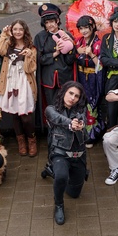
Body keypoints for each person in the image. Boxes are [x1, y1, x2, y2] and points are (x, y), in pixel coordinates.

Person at [45, 81, 88, 225]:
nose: (73, 98)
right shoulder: (51, 109)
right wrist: (71, 123)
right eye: (70, 93)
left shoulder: (81, 110)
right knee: (62, 176)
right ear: (63, 92)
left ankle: (53, 172)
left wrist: (80, 123)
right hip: (60, 153)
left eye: (76, 96)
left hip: (78, 156)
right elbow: (58, 118)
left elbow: (82, 118)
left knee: (75, 194)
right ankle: (58, 205)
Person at [0, 20, 38, 156]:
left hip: (24, 82)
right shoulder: (8, 44)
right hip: (10, 82)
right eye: (15, 29)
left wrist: (29, 56)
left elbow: (30, 68)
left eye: (20, 29)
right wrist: (3, 34)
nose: (18, 32)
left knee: (25, 116)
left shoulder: (31, 47)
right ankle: (21, 142)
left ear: (25, 31)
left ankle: (32, 140)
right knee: (14, 114)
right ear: (12, 31)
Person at [34, 3, 76, 108]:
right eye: (46, 22)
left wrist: (71, 47)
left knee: (65, 107)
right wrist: (55, 53)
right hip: (48, 79)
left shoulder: (67, 35)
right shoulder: (40, 37)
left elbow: (70, 61)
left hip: (65, 77)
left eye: (52, 21)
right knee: (50, 107)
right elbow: (39, 59)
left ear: (57, 21)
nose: (49, 25)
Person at [74, 15, 105, 147]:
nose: (84, 31)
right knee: (80, 103)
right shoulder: (78, 42)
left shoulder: (99, 43)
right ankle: (80, 132)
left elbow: (101, 65)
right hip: (80, 76)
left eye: (86, 27)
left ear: (92, 27)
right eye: (81, 28)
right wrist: (77, 51)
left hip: (93, 77)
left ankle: (91, 135)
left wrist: (91, 54)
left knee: (92, 104)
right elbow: (72, 59)